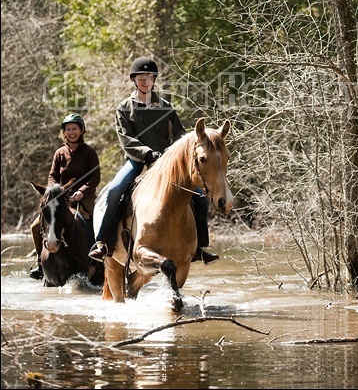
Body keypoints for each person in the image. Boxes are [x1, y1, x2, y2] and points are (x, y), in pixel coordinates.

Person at [88, 56, 219, 265]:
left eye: (149, 77)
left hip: (166, 165)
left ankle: (201, 247)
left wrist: (169, 156)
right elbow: (126, 139)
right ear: (134, 80)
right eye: (141, 77)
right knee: (114, 191)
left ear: (154, 80)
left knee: (201, 197)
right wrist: (148, 153)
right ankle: (103, 243)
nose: (145, 81)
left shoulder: (166, 107)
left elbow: (180, 137)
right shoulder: (124, 108)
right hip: (136, 162)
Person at [29, 113, 101, 280]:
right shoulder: (59, 153)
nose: (71, 132)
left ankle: (97, 260)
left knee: (95, 223)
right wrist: (56, 190)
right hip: (60, 197)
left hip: (84, 197)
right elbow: (52, 175)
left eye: (74, 129)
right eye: (68, 129)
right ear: (64, 132)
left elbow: (95, 176)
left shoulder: (89, 152)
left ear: (82, 130)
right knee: (34, 227)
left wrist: (82, 191)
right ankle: (41, 263)